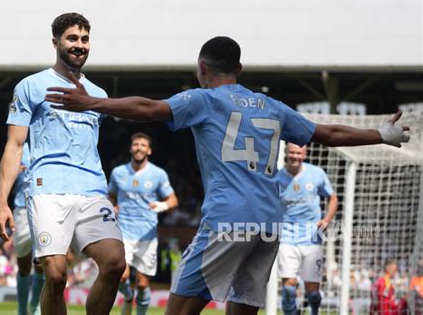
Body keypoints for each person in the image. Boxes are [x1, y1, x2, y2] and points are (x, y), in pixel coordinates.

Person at [45, 36, 410, 315]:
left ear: (202, 68)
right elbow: (329, 135)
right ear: (241, 70)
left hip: (227, 220)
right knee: (243, 307)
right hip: (269, 224)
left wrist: (92, 103)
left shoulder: (205, 100)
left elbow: (149, 109)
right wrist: (382, 134)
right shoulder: (274, 107)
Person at [0, 13, 125, 315]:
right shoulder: (31, 86)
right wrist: (1, 201)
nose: (80, 45)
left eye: (85, 39)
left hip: (92, 190)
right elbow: (14, 145)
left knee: (115, 263)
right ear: (56, 42)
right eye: (72, 38)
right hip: (47, 190)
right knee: (55, 274)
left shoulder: (98, 95)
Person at [109, 132, 178, 315]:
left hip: (147, 234)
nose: (139, 147)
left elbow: (173, 201)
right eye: (136, 144)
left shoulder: (158, 174)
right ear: (131, 148)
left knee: (142, 284)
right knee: (121, 276)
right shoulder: (118, 173)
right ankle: (128, 297)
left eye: (143, 145)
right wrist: (112, 207)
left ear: (149, 150)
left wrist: (162, 205)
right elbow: (110, 196)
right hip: (123, 231)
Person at [276, 142, 338, 315]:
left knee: (313, 292)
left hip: (312, 237)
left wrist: (326, 220)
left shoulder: (316, 174)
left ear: (305, 154)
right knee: (288, 288)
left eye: (299, 153)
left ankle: (314, 310)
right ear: (287, 153)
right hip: (287, 237)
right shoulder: (277, 178)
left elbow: (332, 198)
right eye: (292, 153)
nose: (295, 156)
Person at [0, 142, 44, 315]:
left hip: (46, 207)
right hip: (22, 212)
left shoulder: (50, 137)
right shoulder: (18, 145)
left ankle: (35, 305)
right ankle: (22, 309)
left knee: (43, 262)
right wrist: (12, 173)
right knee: (24, 266)